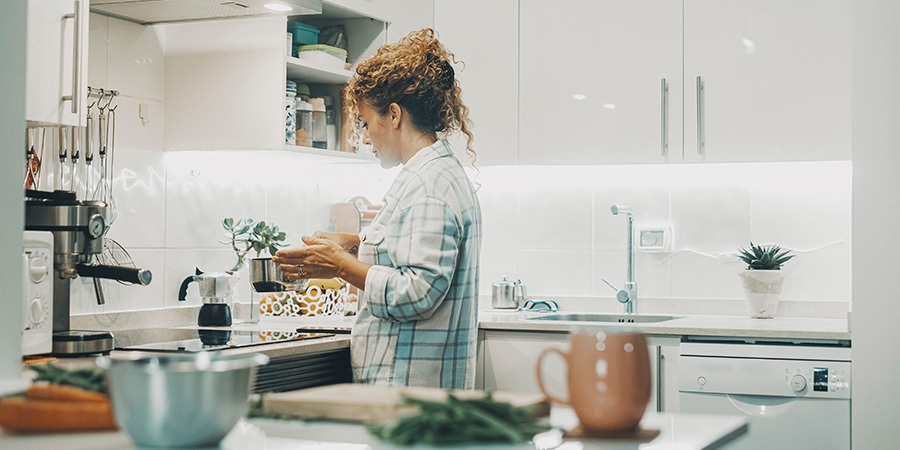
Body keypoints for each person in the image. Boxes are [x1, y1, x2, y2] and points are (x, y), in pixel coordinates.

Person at [273, 28, 481, 389]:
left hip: (409, 390)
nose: (366, 137)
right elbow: (411, 250)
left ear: (395, 115)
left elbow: (417, 292)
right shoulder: (434, 174)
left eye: (367, 122)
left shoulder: (429, 186)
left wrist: (340, 265)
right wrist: (354, 244)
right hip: (415, 388)